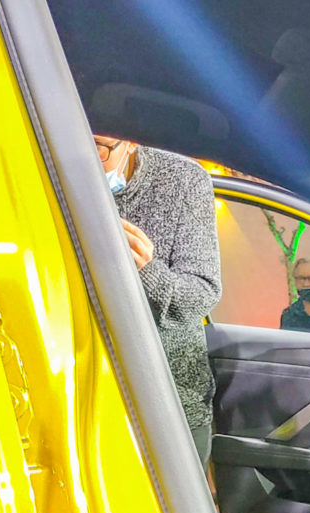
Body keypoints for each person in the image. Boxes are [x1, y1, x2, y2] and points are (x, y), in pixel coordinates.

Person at [96, 135, 220, 466]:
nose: (88, 159)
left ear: (129, 142)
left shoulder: (182, 180)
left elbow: (201, 295)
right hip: (84, 393)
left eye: (98, 147)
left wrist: (147, 270)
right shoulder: (51, 172)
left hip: (169, 396)